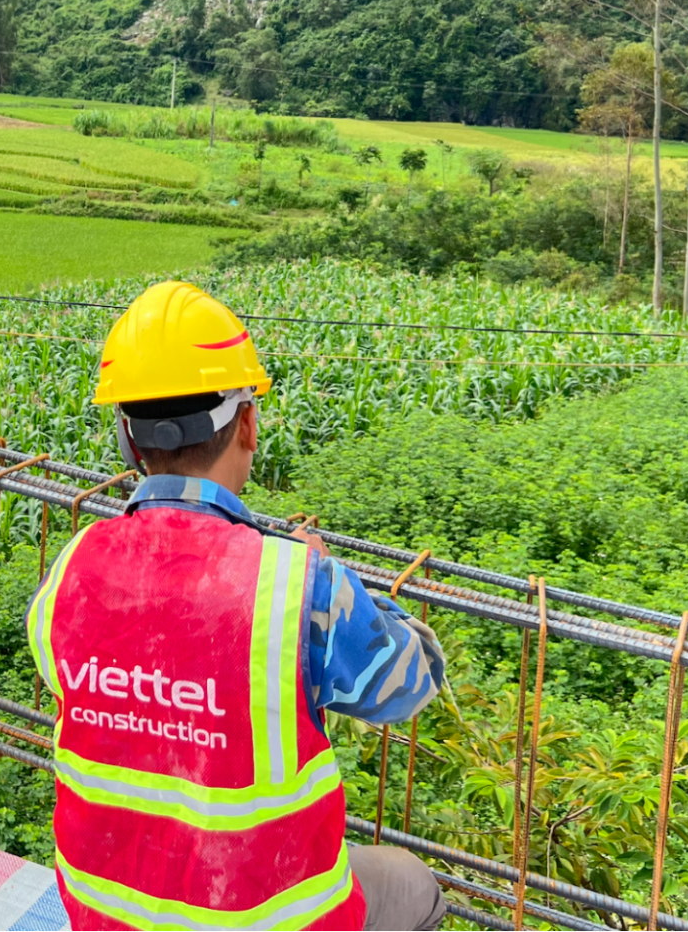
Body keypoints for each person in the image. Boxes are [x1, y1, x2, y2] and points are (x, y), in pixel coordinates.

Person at [27, 281, 450, 932]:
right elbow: (410, 682)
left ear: (128, 442)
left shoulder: (70, 572)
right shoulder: (296, 587)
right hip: (263, 919)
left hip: (106, 915)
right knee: (415, 886)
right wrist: (326, 576)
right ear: (248, 425)